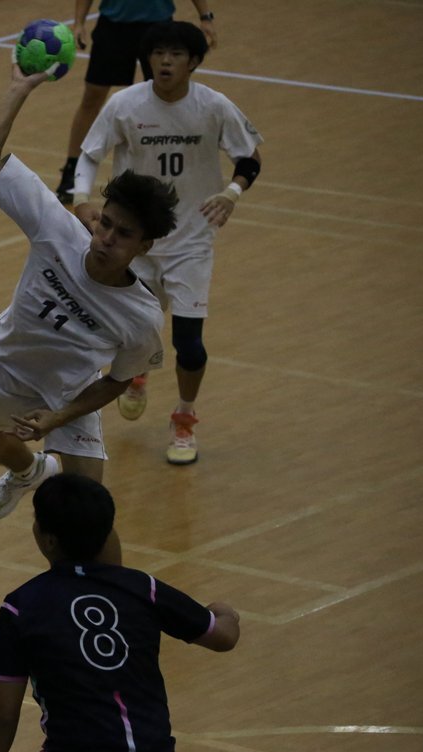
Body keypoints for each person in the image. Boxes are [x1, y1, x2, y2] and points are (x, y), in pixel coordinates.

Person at [0, 64, 178, 526]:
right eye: (106, 224)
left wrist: (59, 417)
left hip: (69, 392)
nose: (106, 239)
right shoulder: (57, 228)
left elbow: (120, 379)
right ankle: (29, 471)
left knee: (90, 514)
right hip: (6, 363)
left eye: (123, 234)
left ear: (144, 247)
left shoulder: (141, 317)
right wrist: (18, 88)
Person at [0, 474, 240, 752]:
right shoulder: (143, 589)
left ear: (48, 541)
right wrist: (226, 613)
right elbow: (224, 637)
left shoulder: (21, 607)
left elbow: (5, 713)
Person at [72, 20, 263, 465]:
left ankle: (184, 417)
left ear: (193, 62)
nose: (165, 61)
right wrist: (81, 199)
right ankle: (137, 374)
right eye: (158, 53)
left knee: (189, 343)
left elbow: (250, 158)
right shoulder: (125, 105)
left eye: (176, 54)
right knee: (131, 332)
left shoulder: (213, 106)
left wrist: (232, 193)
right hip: (135, 244)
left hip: (191, 244)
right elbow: (90, 153)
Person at [54, 0, 218, 204]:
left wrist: (205, 17)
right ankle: (72, 171)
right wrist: (79, 22)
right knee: (92, 96)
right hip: (113, 25)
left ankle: (168, 172)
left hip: (158, 27)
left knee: (164, 97)